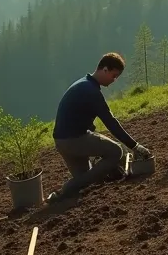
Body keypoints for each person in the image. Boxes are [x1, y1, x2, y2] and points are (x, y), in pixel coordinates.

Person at [46, 52, 152, 202]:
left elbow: (77, 115)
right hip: (74, 141)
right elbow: (111, 122)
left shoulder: (83, 84)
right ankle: (62, 193)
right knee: (116, 151)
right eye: (114, 76)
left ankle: (108, 172)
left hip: (62, 142)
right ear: (105, 69)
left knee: (87, 177)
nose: (114, 80)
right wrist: (135, 146)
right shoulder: (92, 92)